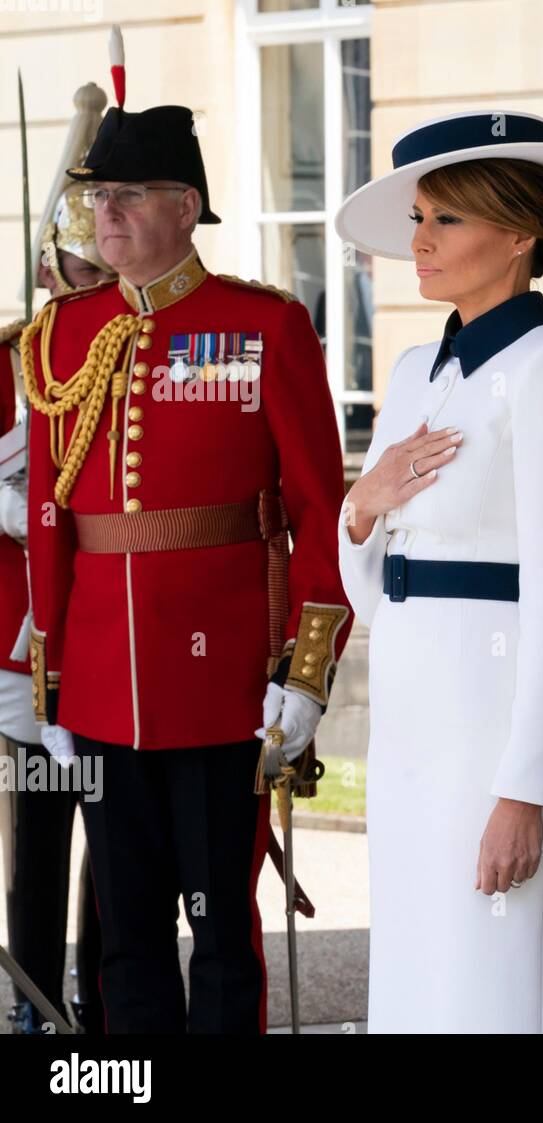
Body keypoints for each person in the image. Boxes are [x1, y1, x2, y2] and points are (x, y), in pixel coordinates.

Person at [21, 99, 353, 1034]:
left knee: (218, 934)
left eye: (127, 195)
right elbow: (52, 515)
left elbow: (318, 511)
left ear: (186, 205)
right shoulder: (61, 338)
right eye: (97, 196)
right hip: (98, 688)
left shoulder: (262, 327)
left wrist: (309, 670)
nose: (105, 214)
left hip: (223, 688)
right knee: (123, 935)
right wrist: (53, 682)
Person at [335, 110, 543, 1032]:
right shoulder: (415, 365)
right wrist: (363, 504)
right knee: (414, 980)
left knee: (489, 986)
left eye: (444, 220)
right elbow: (371, 596)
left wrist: (524, 788)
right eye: (418, 218)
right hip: (411, 723)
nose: (417, 242)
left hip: (492, 733)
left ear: (519, 233)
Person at [0, 81, 114, 1035]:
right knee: (37, 838)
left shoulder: (131, 350)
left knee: (116, 848)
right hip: (22, 646)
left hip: (115, 638)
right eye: (72, 269)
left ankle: (105, 999)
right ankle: (36, 1002)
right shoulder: (11, 362)